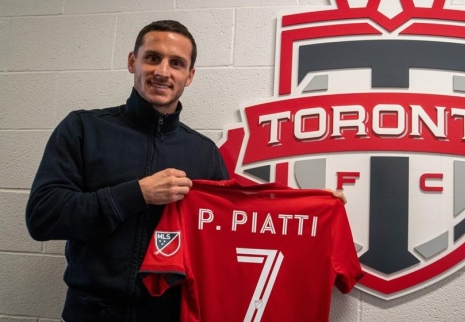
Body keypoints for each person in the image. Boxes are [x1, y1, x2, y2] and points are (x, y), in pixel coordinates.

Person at [25, 20, 346, 322]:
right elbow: (43, 216)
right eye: (152, 58)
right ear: (131, 62)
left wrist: (312, 205)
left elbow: (238, 217)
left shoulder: (203, 152)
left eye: (176, 63)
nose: (163, 72)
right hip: (90, 315)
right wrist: (137, 193)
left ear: (189, 75)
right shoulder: (83, 129)